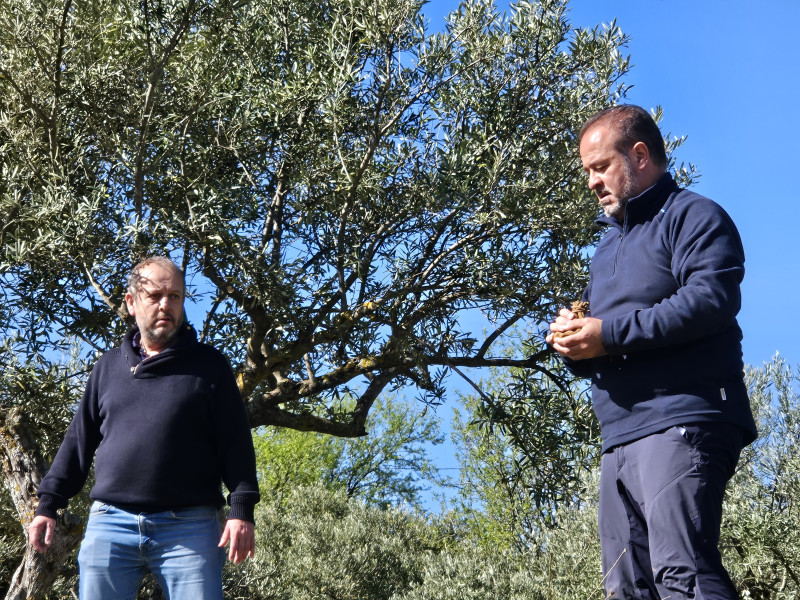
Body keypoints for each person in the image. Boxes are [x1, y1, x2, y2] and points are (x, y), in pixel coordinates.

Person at [546, 105, 757, 600]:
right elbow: (606, 337)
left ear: (639, 155)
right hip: (619, 436)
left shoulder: (693, 216)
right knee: (627, 590)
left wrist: (607, 335)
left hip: (682, 419)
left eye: (601, 167)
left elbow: (710, 301)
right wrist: (571, 343)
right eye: (588, 171)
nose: (592, 182)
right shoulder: (606, 248)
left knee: (684, 577)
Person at [28, 256, 260, 599]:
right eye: (155, 296)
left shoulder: (210, 367)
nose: (166, 305)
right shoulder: (108, 367)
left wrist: (242, 510)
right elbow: (78, 442)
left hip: (189, 527)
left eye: (175, 296)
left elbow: (236, 444)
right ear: (132, 301)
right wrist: (48, 505)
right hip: (111, 522)